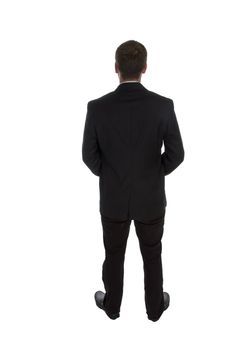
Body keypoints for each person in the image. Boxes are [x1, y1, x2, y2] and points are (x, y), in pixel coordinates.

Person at [82, 40, 185, 322]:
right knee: (152, 255)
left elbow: (88, 156)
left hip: (113, 198)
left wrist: (113, 175)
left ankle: (112, 307)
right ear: (144, 68)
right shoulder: (163, 106)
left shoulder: (97, 108)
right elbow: (176, 155)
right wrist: (152, 173)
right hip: (150, 198)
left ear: (116, 68)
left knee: (113, 254)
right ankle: (155, 309)